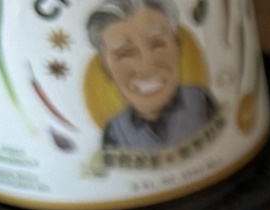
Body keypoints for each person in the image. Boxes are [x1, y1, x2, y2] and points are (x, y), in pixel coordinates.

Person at [87, 0, 217, 154]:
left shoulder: (201, 101)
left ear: (177, 45)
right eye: (125, 53)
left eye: (157, 44)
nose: (146, 67)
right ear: (106, 68)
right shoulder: (114, 131)